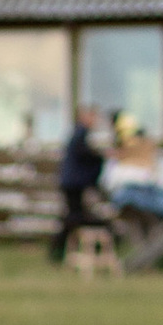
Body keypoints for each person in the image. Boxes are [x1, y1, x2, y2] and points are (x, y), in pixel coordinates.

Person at [50, 105, 109, 262]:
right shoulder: (80, 132)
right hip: (73, 182)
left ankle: (61, 249)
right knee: (74, 217)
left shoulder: (80, 133)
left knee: (74, 215)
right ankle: (58, 248)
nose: (94, 121)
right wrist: (100, 157)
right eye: (92, 117)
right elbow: (82, 152)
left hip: (73, 181)